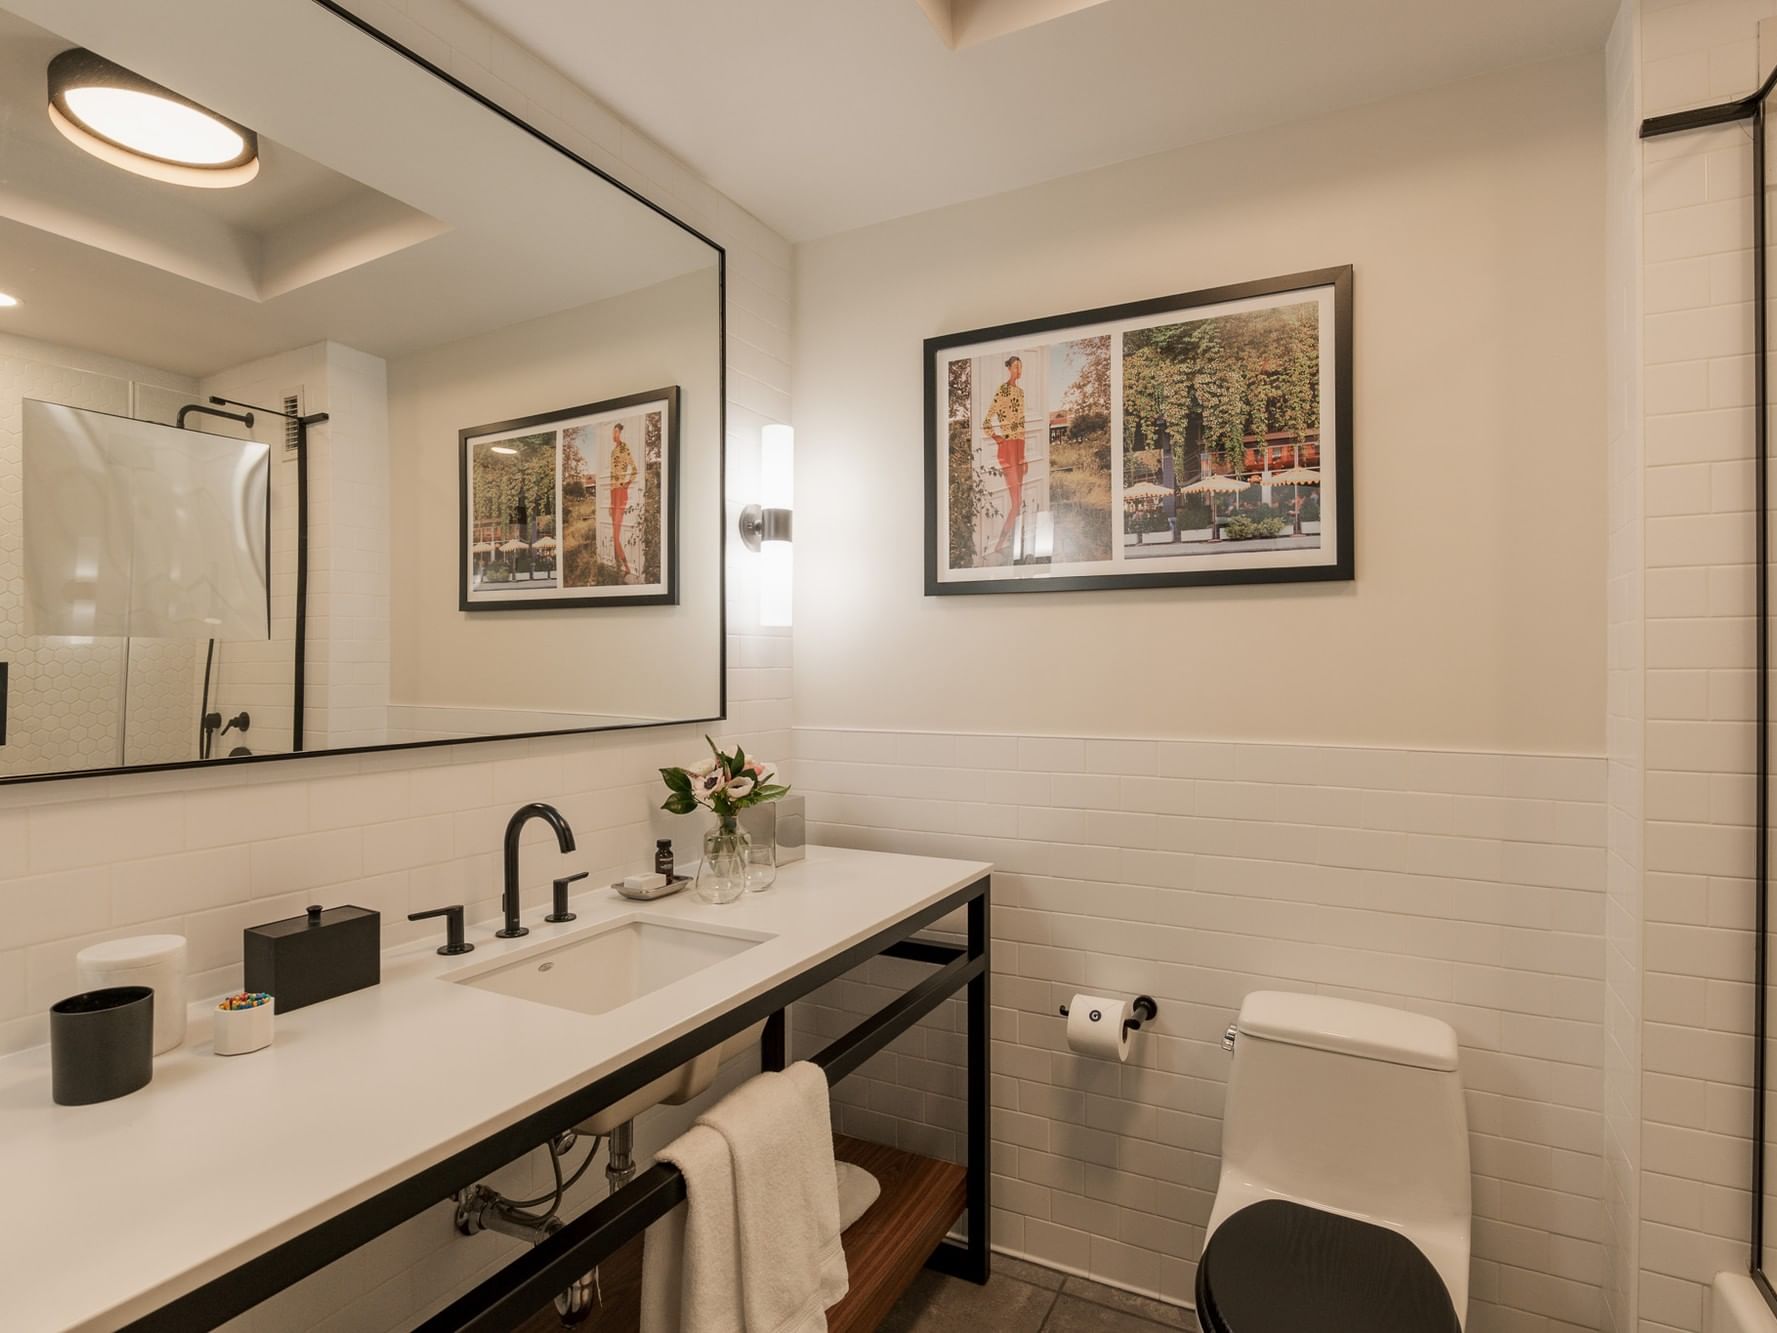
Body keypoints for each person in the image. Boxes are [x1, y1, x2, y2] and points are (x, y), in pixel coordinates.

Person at [982, 355, 1028, 556]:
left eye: (1021, 367)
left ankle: (1013, 542)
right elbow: (986, 423)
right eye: (1016, 367)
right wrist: (998, 439)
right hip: (1007, 448)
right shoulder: (1003, 391)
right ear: (1009, 368)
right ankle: (1000, 544)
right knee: (1016, 502)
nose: (1019, 370)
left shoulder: (1021, 392)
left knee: (1019, 502)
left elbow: (1023, 426)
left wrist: (1024, 455)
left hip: (1020, 447)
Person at [608, 422, 638, 579]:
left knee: (616, 535)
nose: (614, 435)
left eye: (616, 432)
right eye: (613, 432)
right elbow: (611, 478)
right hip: (613, 494)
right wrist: (609, 502)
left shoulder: (625, 448)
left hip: (621, 493)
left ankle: (627, 567)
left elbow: (635, 469)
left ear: (621, 433)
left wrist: (626, 484)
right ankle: (619, 567)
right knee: (615, 535)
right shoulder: (612, 452)